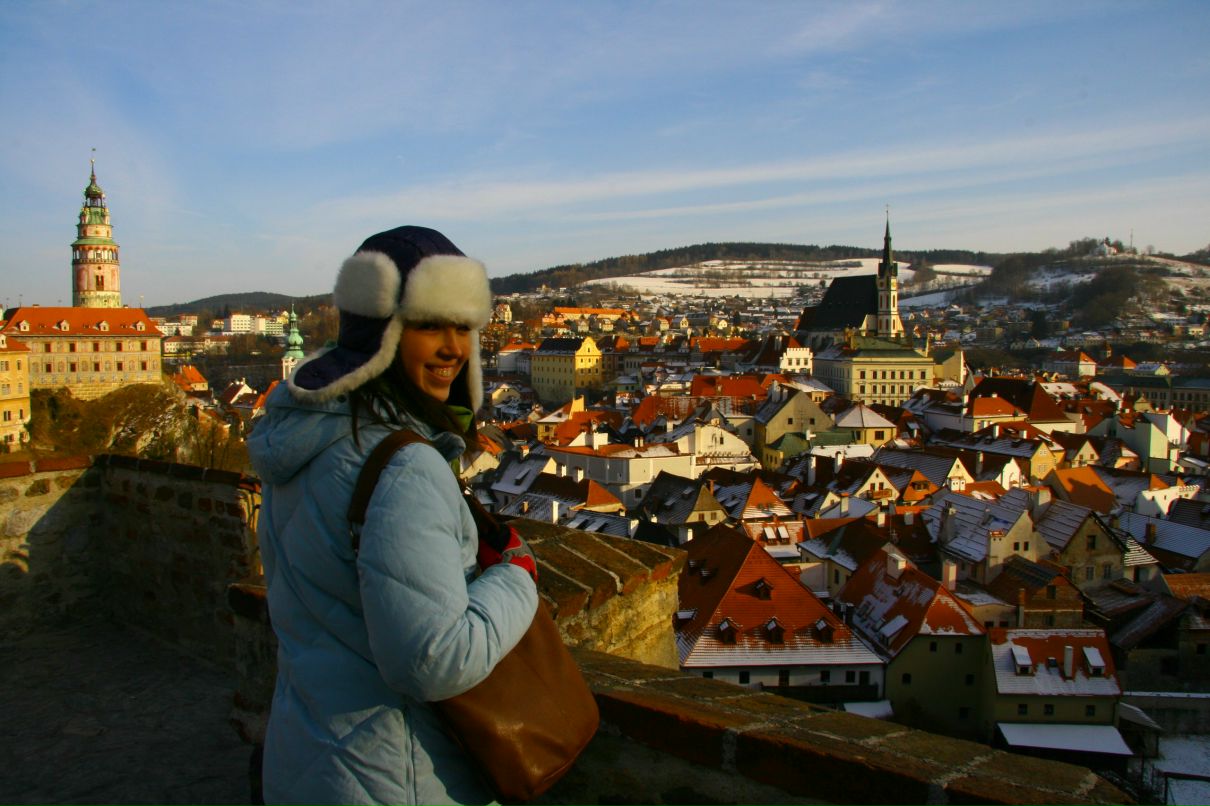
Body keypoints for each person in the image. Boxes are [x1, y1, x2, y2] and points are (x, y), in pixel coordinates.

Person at [247, 226, 539, 806]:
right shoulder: (405, 465)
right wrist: (519, 577)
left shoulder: (305, 439)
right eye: (430, 324)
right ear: (381, 333)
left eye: (463, 326)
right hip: (396, 775)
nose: (455, 348)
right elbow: (433, 661)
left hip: (303, 756)